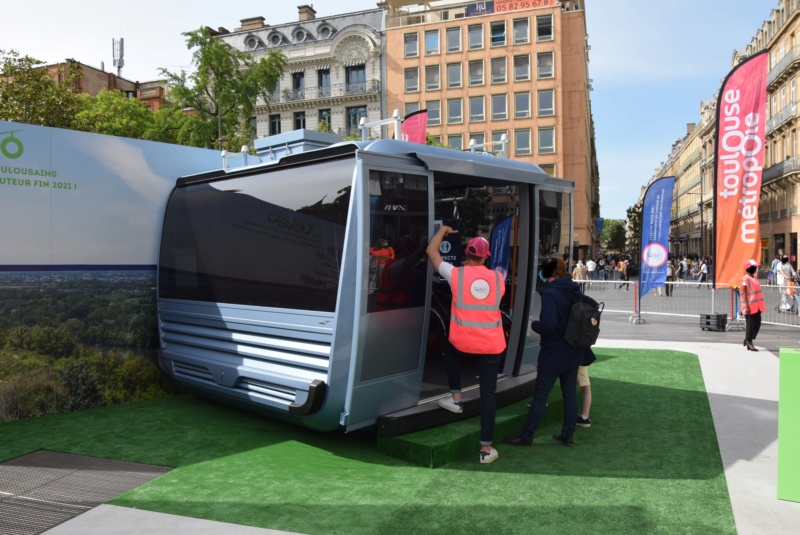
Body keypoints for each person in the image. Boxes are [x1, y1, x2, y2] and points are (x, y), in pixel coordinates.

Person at [427, 225, 506, 465]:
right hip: (491, 343)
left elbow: (431, 251)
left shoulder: (456, 274)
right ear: (485, 256)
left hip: (463, 340)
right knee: (488, 394)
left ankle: (457, 399)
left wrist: (442, 231)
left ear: (467, 254)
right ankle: (485, 450)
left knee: (450, 352)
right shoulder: (497, 278)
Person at [504, 257, 596, 448]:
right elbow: (593, 305)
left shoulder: (550, 293)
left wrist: (533, 323)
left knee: (540, 395)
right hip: (573, 351)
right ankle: (567, 435)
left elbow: (548, 325)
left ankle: (527, 435)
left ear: (549, 273)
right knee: (569, 393)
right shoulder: (573, 289)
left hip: (553, 351)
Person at [741, 259, 765, 351]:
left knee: (757, 323)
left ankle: (748, 339)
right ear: (750, 268)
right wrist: (746, 306)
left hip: (758, 305)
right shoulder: (745, 279)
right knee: (750, 325)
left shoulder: (755, 277)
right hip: (750, 306)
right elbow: (743, 293)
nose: (756, 268)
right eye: (755, 267)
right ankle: (749, 342)